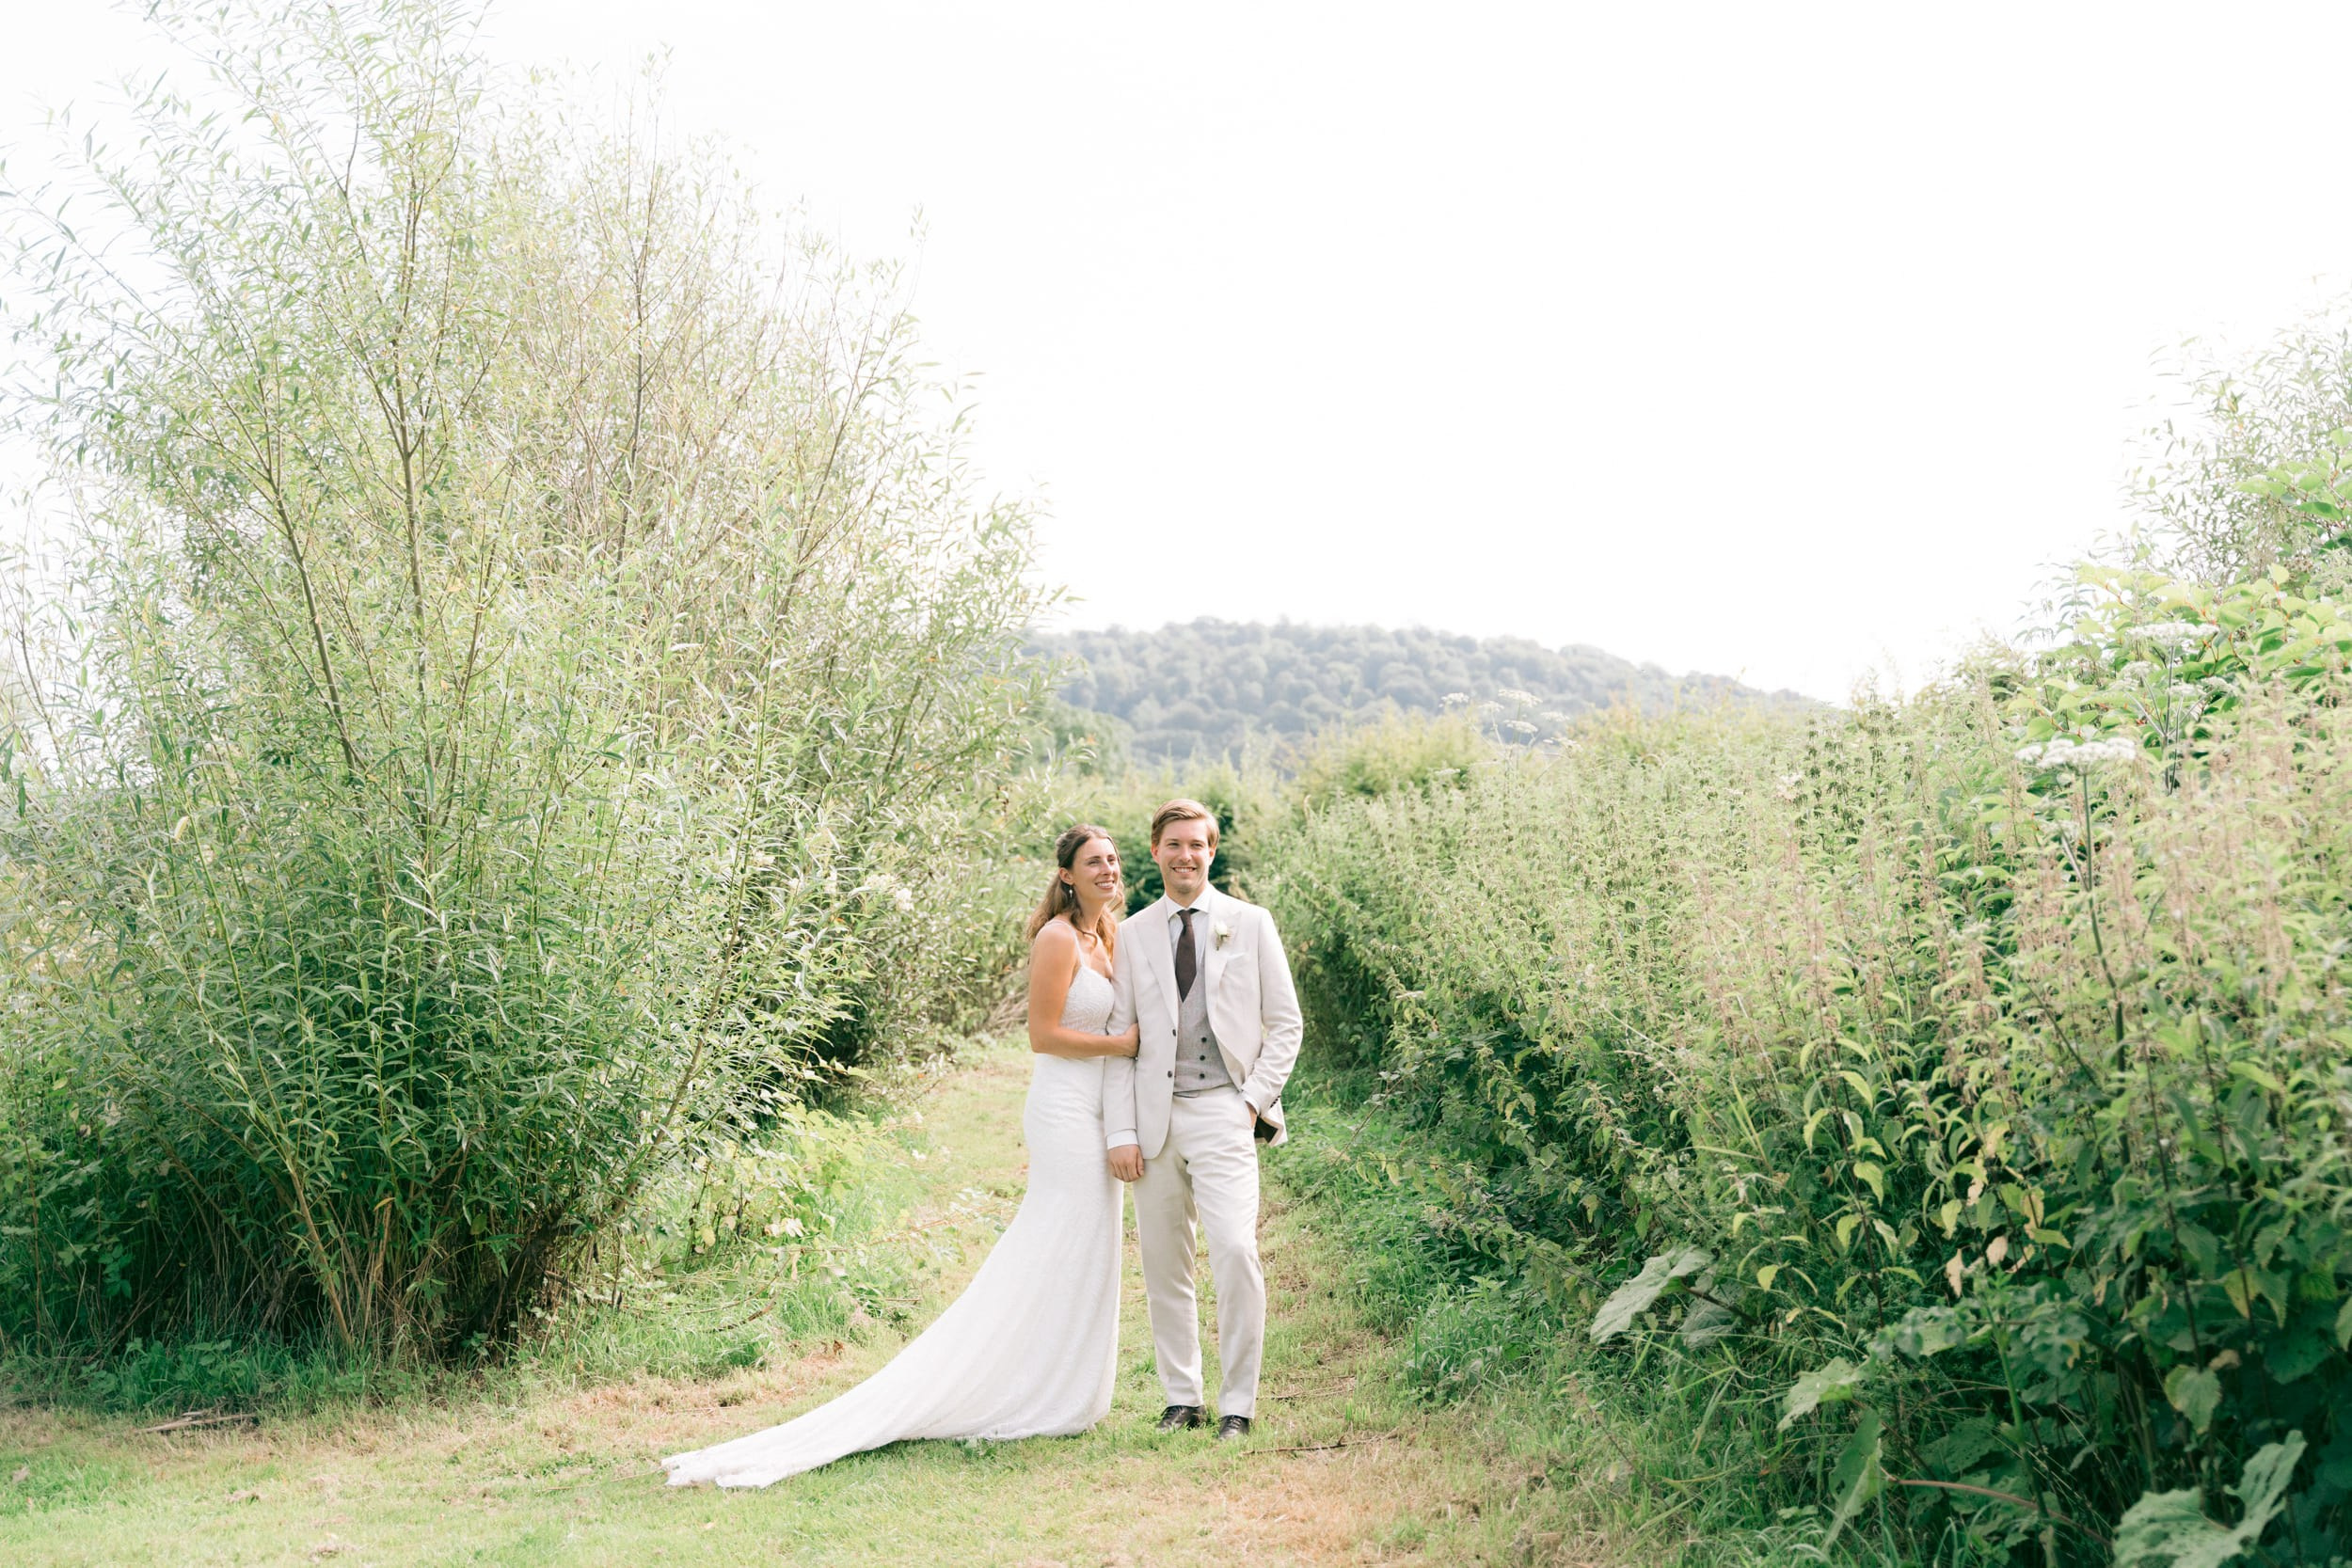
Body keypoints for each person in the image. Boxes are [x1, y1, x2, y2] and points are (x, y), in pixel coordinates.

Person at [661, 825, 1141, 1486]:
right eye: (1095, 861)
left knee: (1086, 1244)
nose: (1108, 869)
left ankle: (1063, 1378)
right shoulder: (1058, 937)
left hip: (1098, 1109)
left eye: (1113, 859)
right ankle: (1007, 1380)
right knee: (1053, 1238)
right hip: (1062, 1111)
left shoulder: (1109, 934)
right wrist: (1124, 1046)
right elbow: (1042, 1033)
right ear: (1067, 875)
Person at [1104, 799, 1303, 1441]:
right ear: (1155, 850)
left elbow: (1287, 1024)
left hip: (1225, 1107)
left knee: (1237, 1249)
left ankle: (1238, 1405)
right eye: (1174, 844)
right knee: (1165, 1263)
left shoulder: (1250, 922)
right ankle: (1181, 1397)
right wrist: (1121, 1131)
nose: (1186, 855)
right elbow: (1120, 1037)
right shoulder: (1132, 932)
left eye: (1197, 844)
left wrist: (1252, 1102)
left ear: (1211, 851)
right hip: (1154, 1117)